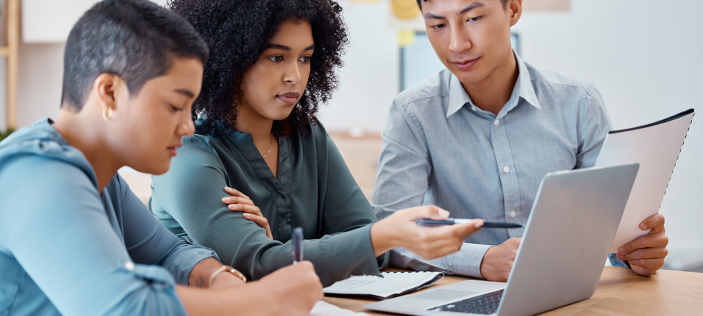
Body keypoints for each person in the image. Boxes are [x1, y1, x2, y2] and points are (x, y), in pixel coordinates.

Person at [0, 1, 323, 315]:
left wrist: (221, 280)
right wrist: (264, 300)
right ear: (110, 93)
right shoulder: (37, 175)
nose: (187, 126)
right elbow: (126, 307)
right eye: (174, 106)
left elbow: (168, 254)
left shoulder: (102, 178)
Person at [150, 0, 484, 287]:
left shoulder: (307, 135)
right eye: (276, 58)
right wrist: (376, 238)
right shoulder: (186, 154)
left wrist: (282, 253)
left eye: (305, 58)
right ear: (230, 57)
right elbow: (257, 264)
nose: (295, 75)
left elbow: (370, 251)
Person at [372, 0, 669, 281]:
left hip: (566, 291)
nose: (456, 44)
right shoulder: (413, 113)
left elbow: (611, 222)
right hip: (463, 295)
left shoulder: (579, 103)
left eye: (473, 18)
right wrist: (482, 260)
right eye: (438, 25)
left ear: (513, 9)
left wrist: (635, 253)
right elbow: (390, 237)